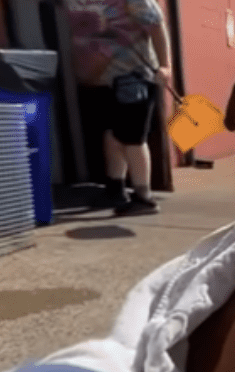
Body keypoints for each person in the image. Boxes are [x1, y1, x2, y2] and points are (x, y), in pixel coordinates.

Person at [66, 0, 173, 216]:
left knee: (132, 139)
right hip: (102, 80)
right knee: (112, 135)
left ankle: (145, 197)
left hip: (134, 77)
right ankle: (116, 189)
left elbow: (157, 26)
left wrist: (166, 66)